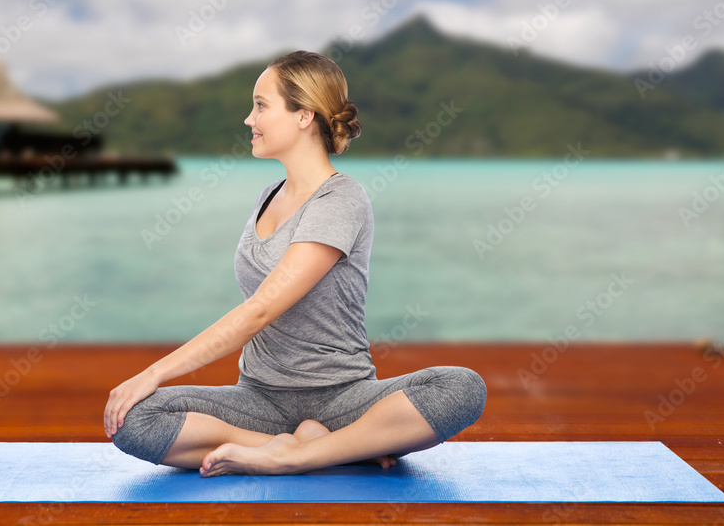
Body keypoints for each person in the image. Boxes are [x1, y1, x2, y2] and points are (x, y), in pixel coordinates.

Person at [103, 50, 486, 477]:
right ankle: (320, 448)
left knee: (461, 388)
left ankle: (296, 455)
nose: (250, 119)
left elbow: (262, 308)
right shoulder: (268, 195)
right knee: (134, 420)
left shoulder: (341, 199)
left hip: (344, 398)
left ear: (304, 115)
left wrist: (153, 372)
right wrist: (147, 387)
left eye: (261, 106)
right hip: (259, 399)